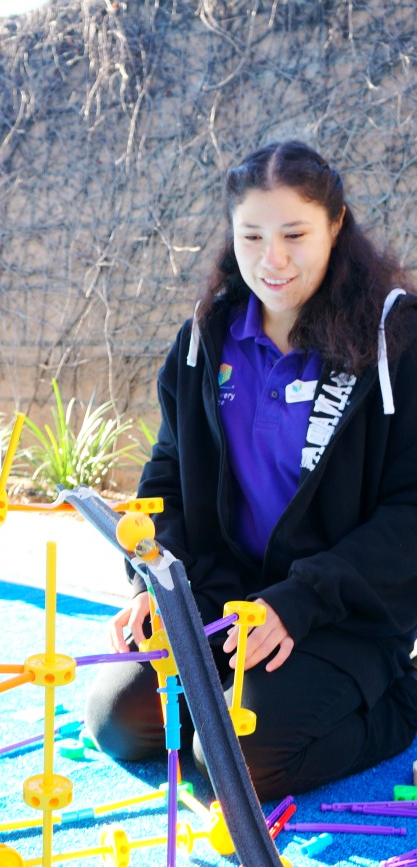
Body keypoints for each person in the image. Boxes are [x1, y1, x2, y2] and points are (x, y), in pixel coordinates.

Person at [85, 140, 417, 802]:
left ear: (337, 224)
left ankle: (400, 699)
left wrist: (299, 601)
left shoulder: (395, 341)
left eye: (295, 233)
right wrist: (155, 582)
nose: (273, 258)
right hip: (223, 594)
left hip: (335, 615)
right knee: (119, 717)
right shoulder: (205, 340)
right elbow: (167, 475)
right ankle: (229, 701)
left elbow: (410, 511)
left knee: (234, 759)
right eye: (253, 234)